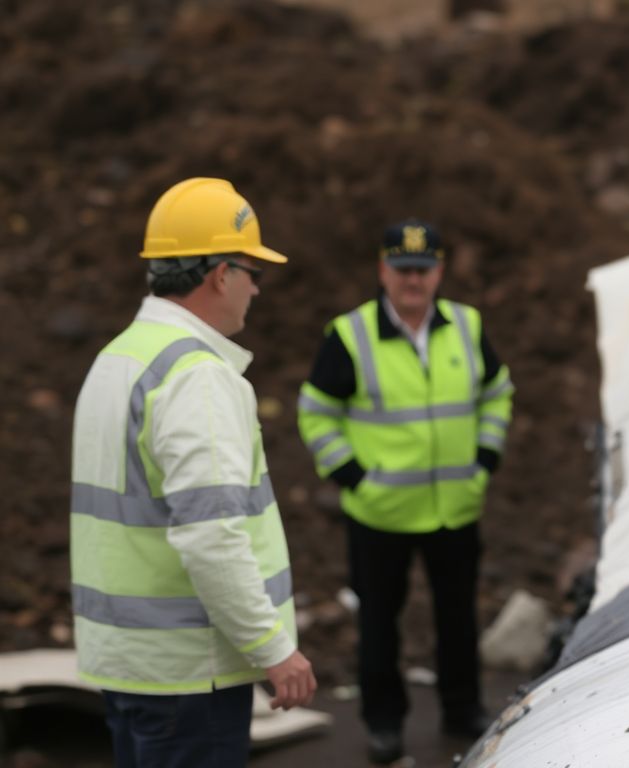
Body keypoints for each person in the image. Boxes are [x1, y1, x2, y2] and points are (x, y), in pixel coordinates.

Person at [70, 177, 317, 767]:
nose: (256, 288)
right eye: (252, 270)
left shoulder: (121, 357)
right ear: (219, 273)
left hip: (135, 667)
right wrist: (273, 649)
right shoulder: (195, 378)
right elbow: (211, 535)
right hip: (189, 676)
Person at [297, 219, 513, 764]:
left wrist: (484, 458)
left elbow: (498, 392)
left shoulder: (466, 326)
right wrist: (351, 476)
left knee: (458, 618)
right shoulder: (350, 336)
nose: (412, 281)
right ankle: (383, 724)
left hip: (455, 508)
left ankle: (463, 712)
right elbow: (316, 412)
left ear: (439, 271)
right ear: (382, 271)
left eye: (422, 269)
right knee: (378, 625)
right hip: (380, 513)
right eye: (402, 269)